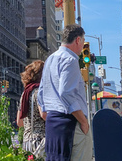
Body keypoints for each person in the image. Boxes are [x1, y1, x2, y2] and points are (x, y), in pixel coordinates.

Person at [37, 24, 91, 161]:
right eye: (83, 41)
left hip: (52, 122)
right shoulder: (71, 59)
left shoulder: (50, 59)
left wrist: (46, 114)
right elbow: (66, 93)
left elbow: (41, 93)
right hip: (71, 123)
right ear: (77, 40)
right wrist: (83, 122)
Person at [17, 60, 46, 158]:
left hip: (27, 142)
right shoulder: (40, 92)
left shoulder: (25, 93)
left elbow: (19, 122)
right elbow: (44, 115)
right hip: (40, 141)